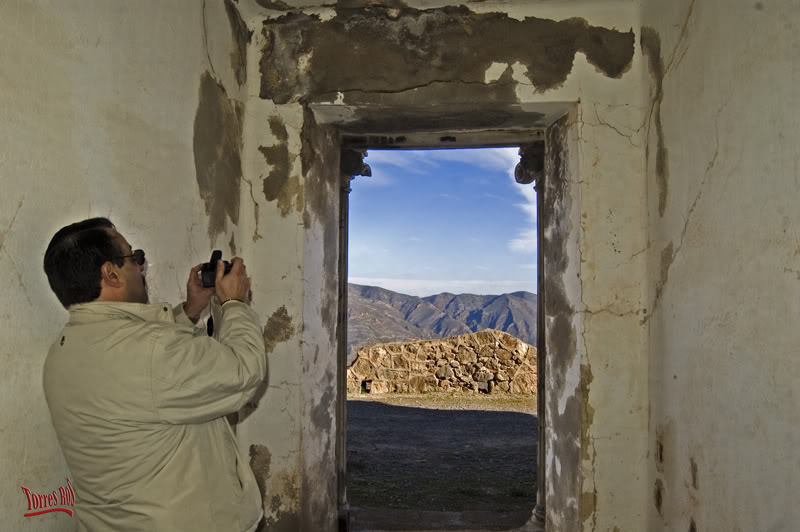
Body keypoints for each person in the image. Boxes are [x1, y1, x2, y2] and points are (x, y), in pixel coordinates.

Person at [42, 218, 266, 532]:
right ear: (112, 273)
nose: (141, 268)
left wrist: (189, 310)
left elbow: (149, 375)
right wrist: (234, 303)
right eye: (136, 258)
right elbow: (244, 371)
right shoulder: (150, 353)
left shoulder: (63, 352)